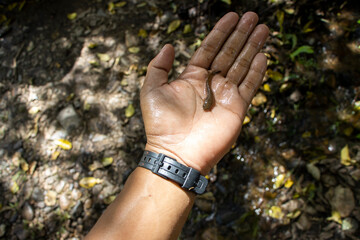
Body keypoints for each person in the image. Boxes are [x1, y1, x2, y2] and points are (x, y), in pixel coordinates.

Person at [85, 11, 269, 240]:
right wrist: (177, 155)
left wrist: (173, 155)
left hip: (206, 101)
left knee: (211, 83)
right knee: (210, 84)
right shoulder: (206, 99)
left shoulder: (208, 99)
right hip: (205, 102)